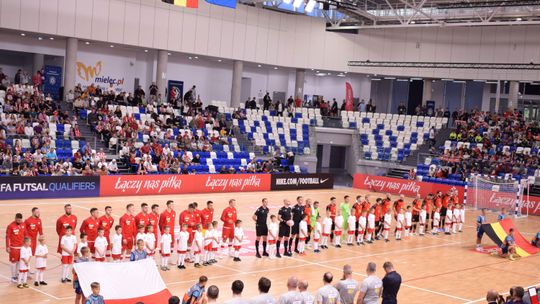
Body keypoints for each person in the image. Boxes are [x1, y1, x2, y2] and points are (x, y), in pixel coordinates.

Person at [6, 213, 27, 282]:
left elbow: (25, 235)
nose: (19, 221)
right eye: (17, 220)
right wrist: (7, 246)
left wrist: (26, 244)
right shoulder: (10, 226)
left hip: (21, 247)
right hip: (14, 248)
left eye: (20, 220)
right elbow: (7, 237)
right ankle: (13, 276)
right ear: (15, 218)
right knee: (13, 262)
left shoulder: (23, 224)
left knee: (19, 262)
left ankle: (17, 274)